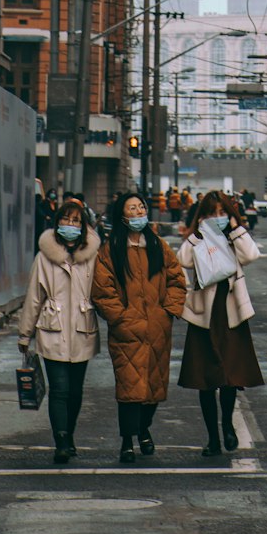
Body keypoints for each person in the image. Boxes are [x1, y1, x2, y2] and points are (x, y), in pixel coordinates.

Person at [91, 190, 187, 464]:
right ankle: (127, 441)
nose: (138, 212)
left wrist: (168, 310)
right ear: (122, 214)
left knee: (154, 388)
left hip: (157, 329)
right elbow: (102, 289)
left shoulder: (158, 246)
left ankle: (144, 429)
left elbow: (177, 280)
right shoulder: (111, 250)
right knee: (129, 389)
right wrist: (120, 318)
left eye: (141, 208)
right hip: (126, 331)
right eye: (131, 208)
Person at [178, 189, 264, 457]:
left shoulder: (233, 237)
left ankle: (227, 425)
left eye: (222, 213)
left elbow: (251, 255)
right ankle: (212, 438)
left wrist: (235, 228)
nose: (218, 218)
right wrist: (199, 231)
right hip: (204, 315)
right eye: (212, 213)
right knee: (205, 379)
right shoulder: (199, 238)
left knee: (229, 377)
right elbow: (182, 260)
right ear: (202, 215)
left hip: (230, 313)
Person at [17, 196, 101, 464]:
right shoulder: (44, 257)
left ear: (84, 225)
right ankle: (61, 441)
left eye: (76, 220)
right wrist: (24, 333)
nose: (70, 224)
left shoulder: (93, 257)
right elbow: (33, 296)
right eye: (66, 219)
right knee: (60, 389)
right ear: (57, 222)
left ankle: (70, 435)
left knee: (76, 391)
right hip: (51, 329)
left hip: (82, 329)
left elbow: (104, 291)